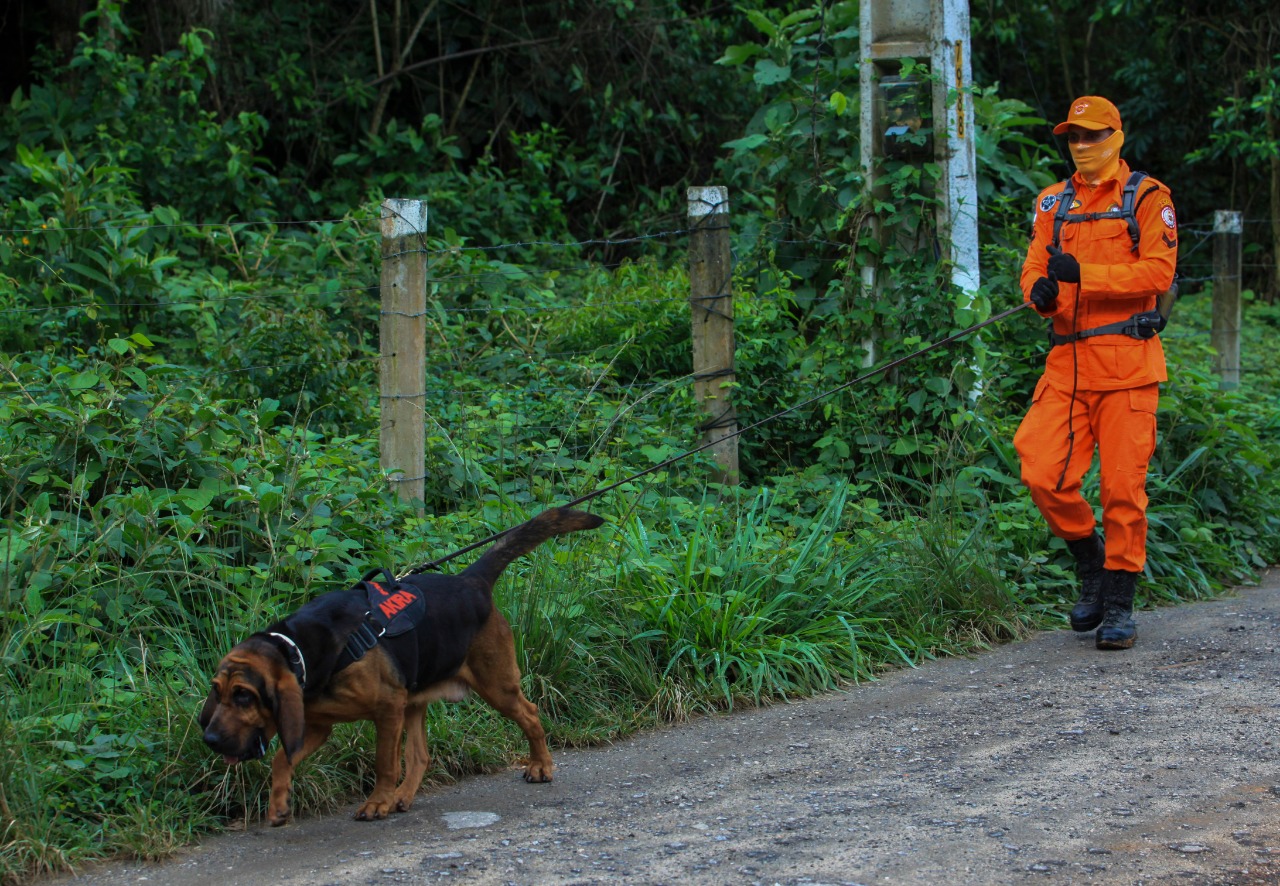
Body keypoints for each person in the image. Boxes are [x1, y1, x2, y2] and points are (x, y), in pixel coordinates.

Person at [1014, 95, 1178, 650]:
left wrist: (1084, 273)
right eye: (1073, 138)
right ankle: (1091, 563)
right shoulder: (1051, 204)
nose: (1081, 147)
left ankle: (1118, 603)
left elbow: (1159, 270)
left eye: (1091, 136)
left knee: (1122, 490)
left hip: (1128, 367)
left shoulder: (1148, 199)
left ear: (1115, 136)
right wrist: (1038, 293)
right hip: (1067, 367)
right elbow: (1036, 266)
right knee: (1042, 472)